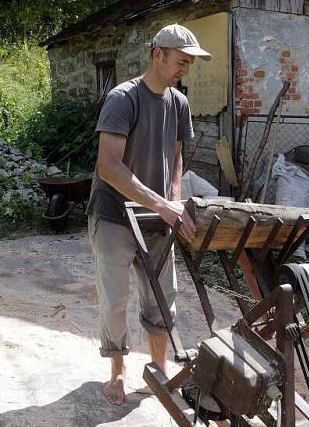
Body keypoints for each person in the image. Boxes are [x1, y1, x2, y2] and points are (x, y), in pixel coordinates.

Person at [87, 23, 210, 405]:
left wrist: (172, 200)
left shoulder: (178, 102)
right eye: (180, 62)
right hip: (113, 217)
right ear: (158, 55)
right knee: (116, 298)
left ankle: (158, 370)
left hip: (157, 218)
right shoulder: (124, 99)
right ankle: (118, 374)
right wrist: (161, 204)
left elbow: (174, 157)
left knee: (162, 297)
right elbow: (109, 166)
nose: (183, 70)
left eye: (188, 64)